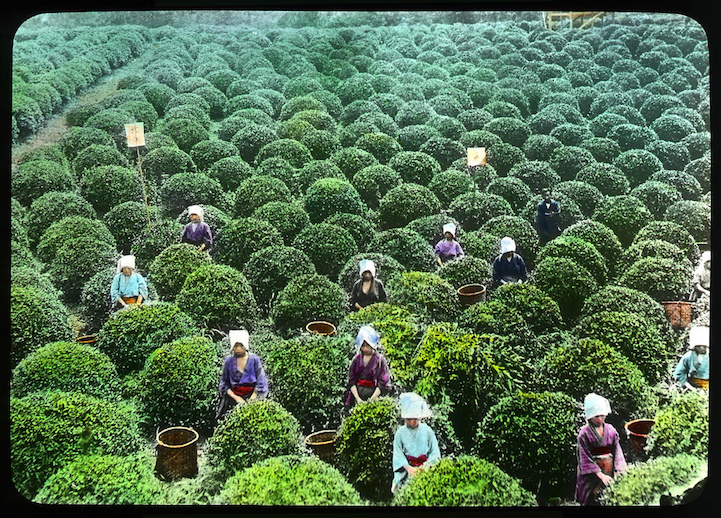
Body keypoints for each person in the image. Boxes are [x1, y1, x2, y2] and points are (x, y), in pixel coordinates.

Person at [575, 393, 627, 506]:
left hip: (609, 468)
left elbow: (617, 451)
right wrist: (600, 475)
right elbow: (584, 458)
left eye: (602, 415)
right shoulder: (584, 434)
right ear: (590, 416)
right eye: (596, 416)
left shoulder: (611, 430)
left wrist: (619, 470)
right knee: (592, 500)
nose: (599, 419)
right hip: (592, 474)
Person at [391, 392, 441, 494]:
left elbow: (435, 453)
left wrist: (425, 467)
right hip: (407, 470)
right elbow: (398, 455)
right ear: (404, 418)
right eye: (409, 419)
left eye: (415, 419)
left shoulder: (428, 431)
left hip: (426, 468)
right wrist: (409, 468)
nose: (413, 422)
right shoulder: (400, 433)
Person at [216, 330, 269, 419]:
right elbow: (224, 384)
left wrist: (252, 400)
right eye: (236, 346)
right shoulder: (228, 361)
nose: (238, 348)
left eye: (241, 345)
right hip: (233, 400)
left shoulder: (254, 360)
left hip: (253, 399)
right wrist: (236, 398)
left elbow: (261, 382)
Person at [344, 326, 391, 407]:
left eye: (367, 345)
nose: (365, 348)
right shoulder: (356, 359)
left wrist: (372, 399)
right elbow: (351, 380)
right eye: (363, 346)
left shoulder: (380, 360)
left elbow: (383, 382)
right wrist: (357, 398)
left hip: (375, 395)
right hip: (358, 395)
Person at [674, 326, 709, 391]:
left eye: (704, 346)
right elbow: (679, 373)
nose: (702, 348)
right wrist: (691, 388)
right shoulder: (688, 356)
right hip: (692, 387)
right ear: (694, 347)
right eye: (699, 346)